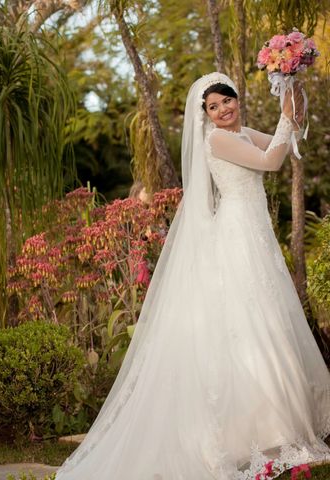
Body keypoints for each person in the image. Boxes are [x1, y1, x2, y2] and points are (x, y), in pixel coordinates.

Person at [56, 72, 330, 479]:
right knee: (252, 326)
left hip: (255, 236)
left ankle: (276, 428)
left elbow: (282, 143)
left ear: (237, 100)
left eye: (227, 101)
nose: (223, 111)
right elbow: (271, 161)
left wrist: (292, 90)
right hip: (238, 237)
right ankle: (254, 435)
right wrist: (286, 117)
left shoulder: (238, 133)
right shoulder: (217, 140)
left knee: (267, 324)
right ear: (204, 115)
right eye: (213, 107)